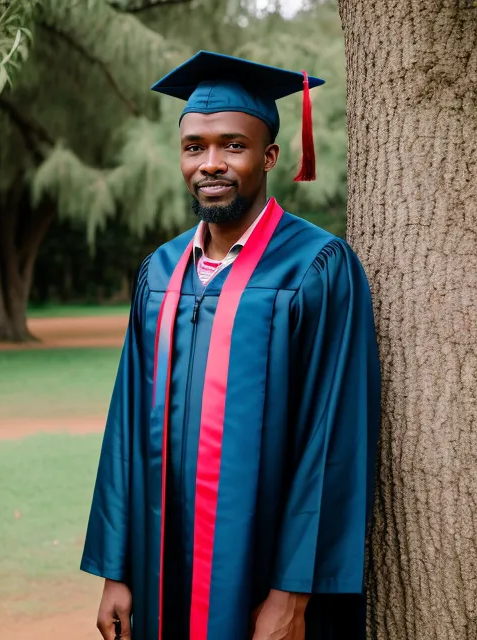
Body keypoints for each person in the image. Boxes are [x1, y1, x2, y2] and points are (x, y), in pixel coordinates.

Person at [81, 50, 381, 640]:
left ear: (269, 155)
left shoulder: (318, 267)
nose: (210, 164)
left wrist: (293, 597)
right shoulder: (159, 272)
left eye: (232, 145)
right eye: (195, 147)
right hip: (160, 564)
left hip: (262, 571)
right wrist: (116, 571)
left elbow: (333, 440)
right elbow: (125, 427)